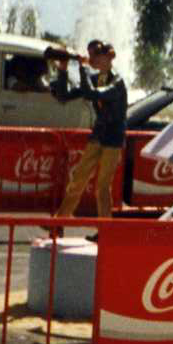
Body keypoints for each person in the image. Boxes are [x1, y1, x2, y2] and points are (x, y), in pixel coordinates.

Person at [53, 40, 128, 222]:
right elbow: (64, 96)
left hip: (113, 139)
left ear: (108, 57)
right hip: (98, 135)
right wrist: (63, 69)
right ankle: (60, 220)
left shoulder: (117, 82)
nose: (92, 58)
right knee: (78, 179)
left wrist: (83, 68)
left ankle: (105, 227)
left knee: (102, 186)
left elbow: (93, 94)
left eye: (96, 54)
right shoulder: (94, 79)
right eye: (90, 54)